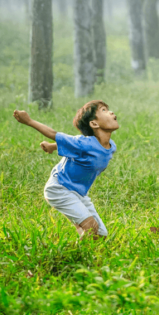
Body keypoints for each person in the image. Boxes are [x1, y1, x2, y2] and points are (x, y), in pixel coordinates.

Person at [13, 101, 119, 238]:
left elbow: (73, 147)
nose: (110, 112)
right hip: (60, 188)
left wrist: (52, 146)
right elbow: (54, 134)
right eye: (104, 110)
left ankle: (81, 229)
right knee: (91, 228)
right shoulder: (84, 143)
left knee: (100, 235)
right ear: (94, 124)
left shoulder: (111, 146)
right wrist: (29, 121)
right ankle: (74, 255)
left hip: (79, 193)